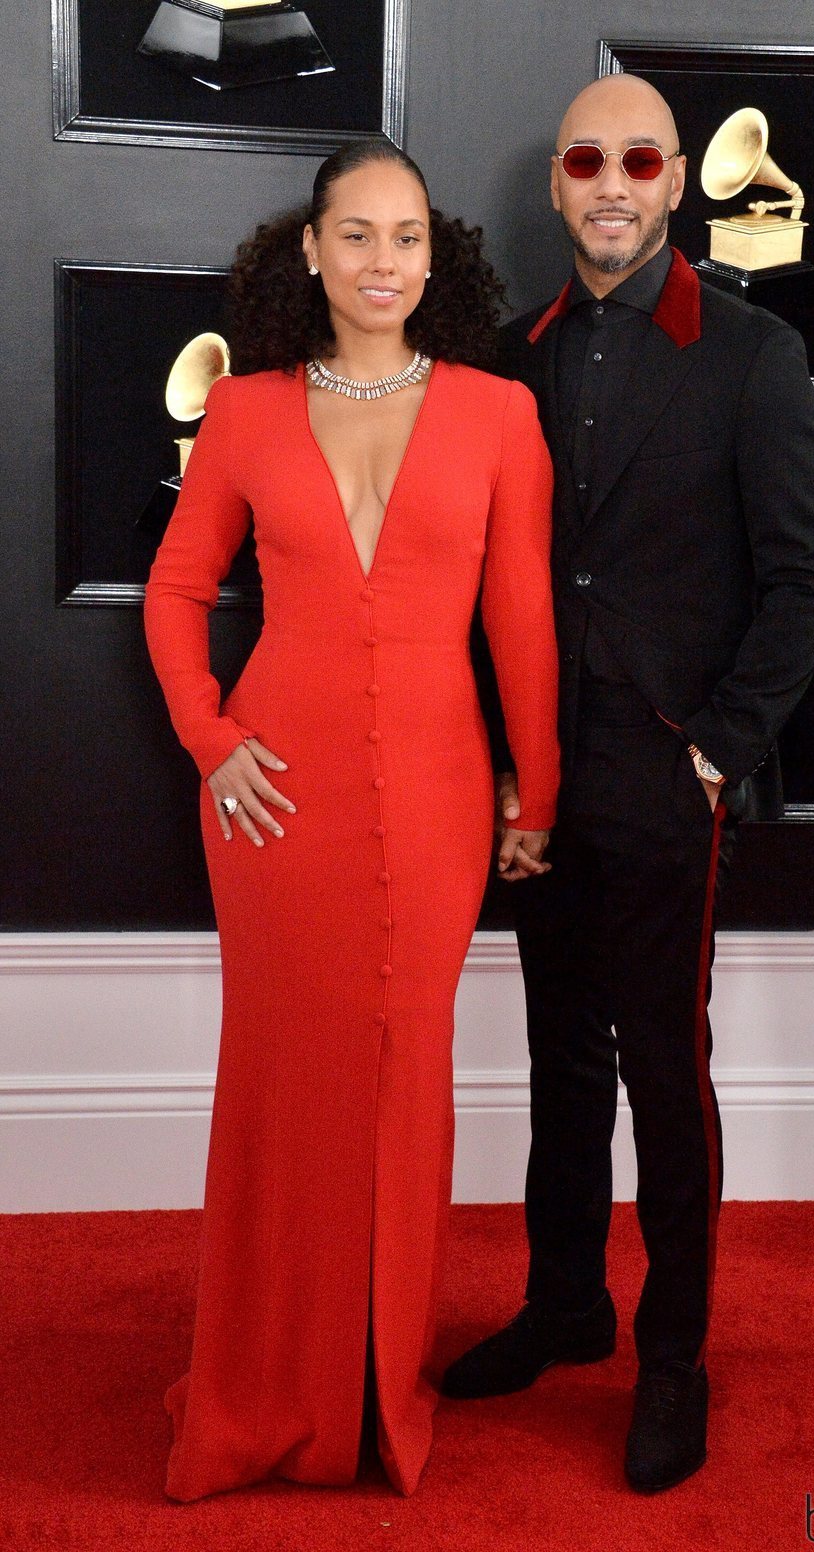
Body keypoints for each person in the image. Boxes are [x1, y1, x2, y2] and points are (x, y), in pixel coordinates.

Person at [442, 74, 814, 1493]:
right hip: (541, 781)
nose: (611, 184)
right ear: (557, 184)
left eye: (638, 160)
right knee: (563, 1058)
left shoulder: (751, 354)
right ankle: (567, 1306)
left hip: (669, 777)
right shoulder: (503, 359)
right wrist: (500, 761)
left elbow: (808, 576)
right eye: (585, 160)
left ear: (673, 180)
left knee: (667, 1074)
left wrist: (719, 747)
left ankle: (674, 1355)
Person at [143, 140, 560, 1502]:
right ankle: (267, 1387)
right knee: (285, 1083)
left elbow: (522, 625)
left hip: (442, 804)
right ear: (310, 252)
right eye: (356, 236)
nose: (383, 261)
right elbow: (175, 590)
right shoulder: (248, 414)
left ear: (435, 260)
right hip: (277, 806)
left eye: (405, 238)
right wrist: (211, 739)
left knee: (404, 1085)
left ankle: (378, 1390)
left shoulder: (500, 415)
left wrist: (534, 791)